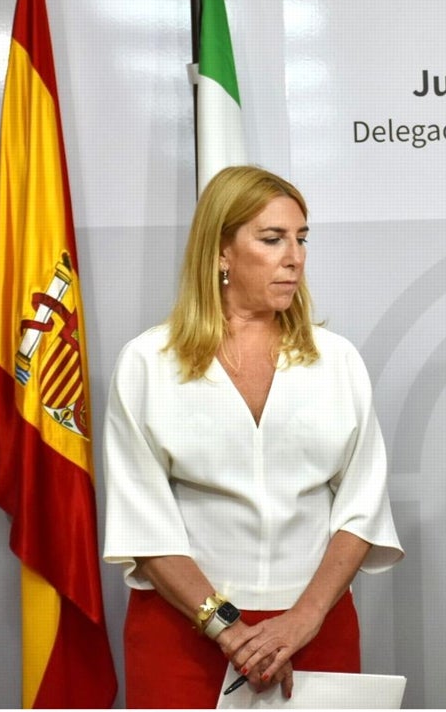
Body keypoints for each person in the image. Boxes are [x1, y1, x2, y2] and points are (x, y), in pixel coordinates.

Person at [102, 166, 403, 708]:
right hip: (183, 635)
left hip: (315, 629)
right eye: (272, 239)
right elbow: (143, 524)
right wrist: (230, 630)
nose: (296, 257)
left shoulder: (337, 361)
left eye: (301, 238)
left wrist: (302, 621)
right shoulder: (148, 362)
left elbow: (362, 511)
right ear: (221, 252)